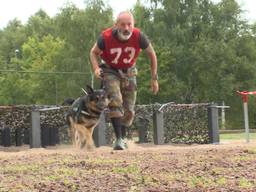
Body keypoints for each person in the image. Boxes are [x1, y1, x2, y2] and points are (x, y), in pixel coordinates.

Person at [90, 11, 159, 150]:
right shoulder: (106, 37)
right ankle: (119, 139)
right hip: (110, 70)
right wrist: (96, 68)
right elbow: (93, 52)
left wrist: (154, 78)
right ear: (116, 25)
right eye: (123, 25)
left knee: (130, 109)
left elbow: (152, 55)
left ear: (134, 25)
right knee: (116, 100)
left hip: (129, 71)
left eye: (130, 25)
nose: (126, 28)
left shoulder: (139, 36)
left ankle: (122, 137)